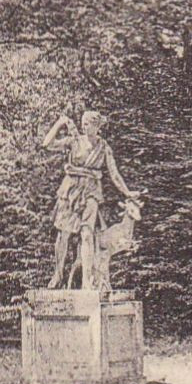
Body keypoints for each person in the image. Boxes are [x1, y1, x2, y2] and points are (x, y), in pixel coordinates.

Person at [42, 109, 134, 289]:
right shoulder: (74, 141)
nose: (84, 127)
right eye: (83, 123)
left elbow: (114, 174)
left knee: (87, 234)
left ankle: (86, 281)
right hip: (70, 190)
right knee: (64, 234)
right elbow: (47, 144)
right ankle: (58, 273)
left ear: (97, 126)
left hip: (91, 190)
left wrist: (127, 192)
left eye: (88, 124)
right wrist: (59, 123)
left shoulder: (104, 147)